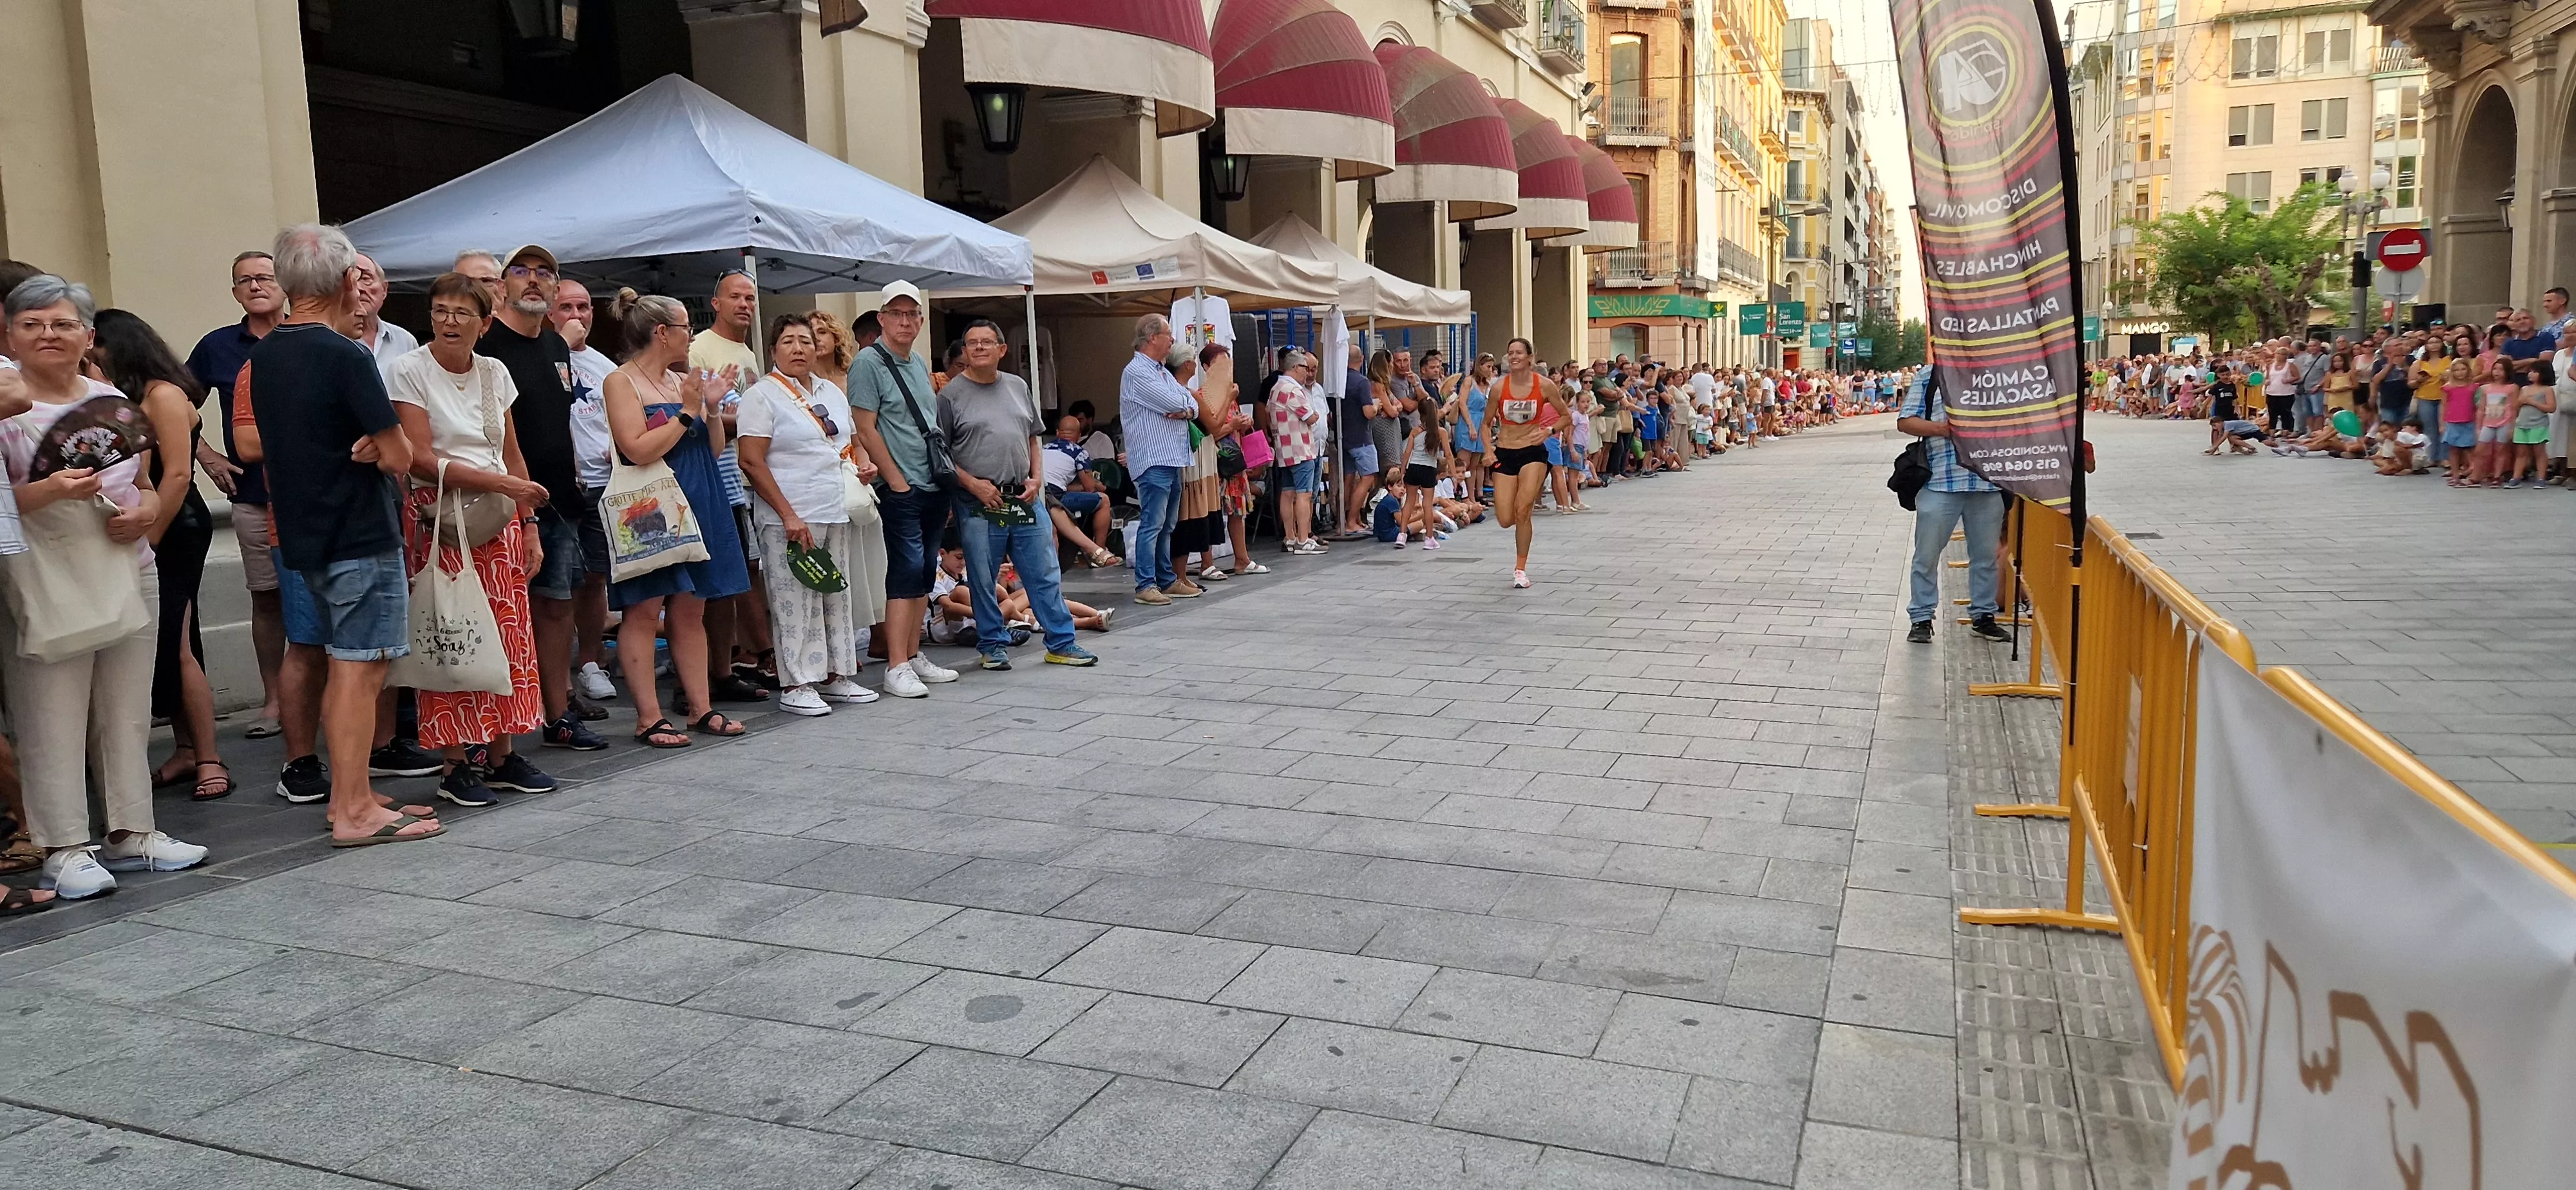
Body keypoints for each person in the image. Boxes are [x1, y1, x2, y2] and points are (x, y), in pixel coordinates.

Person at [3, 276, 208, 898]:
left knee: (126, 707)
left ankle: (132, 831)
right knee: (50, 714)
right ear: (9, 336)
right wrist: (48, 491)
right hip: (45, 572)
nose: (49, 335)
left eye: (63, 324)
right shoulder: (6, 410)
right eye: (33, 324)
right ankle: (64, 847)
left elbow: (143, 483)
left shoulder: (110, 398)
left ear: (89, 336)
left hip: (126, 564)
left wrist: (146, 512)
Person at [246, 225, 439, 847]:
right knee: (360, 669)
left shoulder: (267, 353)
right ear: (346, 280)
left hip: (306, 531)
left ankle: (348, 796)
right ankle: (354, 810)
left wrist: (374, 446)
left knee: (344, 665)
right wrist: (381, 448)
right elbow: (401, 455)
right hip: (358, 531)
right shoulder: (344, 354)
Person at [387, 272, 557, 806]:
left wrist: (529, 522)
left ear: (484, 323)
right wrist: (502, 485)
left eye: (462, 313)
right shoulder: (409, 369)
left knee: (507, 633)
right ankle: (455, 761)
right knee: (453, 631)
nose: (449, 321)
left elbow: (511, 452)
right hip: (441, 516)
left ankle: (502, 753)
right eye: (440, 310)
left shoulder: (494, 372)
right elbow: (418, 457)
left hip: (499, 515)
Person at [601, 288, 753, 742]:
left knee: (691, 609)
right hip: (653, 507)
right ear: (662, 332)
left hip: (699, 497)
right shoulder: (621, 382)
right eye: (687, 327)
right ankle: (648, 717)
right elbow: (636, 448)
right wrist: (688, 411)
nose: (692, 335)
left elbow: (714, 449)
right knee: (645, 610)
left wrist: (711, 408)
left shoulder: (680, 378)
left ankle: (700, 708)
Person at [95, 309, 229, 804]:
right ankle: (186, 749)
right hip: (153, 527)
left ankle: (210, 757)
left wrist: (150, 539)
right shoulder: (126, 397)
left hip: (176, 527)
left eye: (96, 348)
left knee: (177, 641)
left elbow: (176, 475)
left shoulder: (164, 395)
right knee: (170, 639)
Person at [475, 245, 605, 751]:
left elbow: (561, 419)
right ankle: (493, 731)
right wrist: (521, 508)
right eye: (521, 271)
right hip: (505, 505)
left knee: (556, 608)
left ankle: (557, 714)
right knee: (503, 614)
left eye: (544, 273)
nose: (533, 280)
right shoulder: (487, 347)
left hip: (560, 500)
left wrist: (573, 476)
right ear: (501, 285)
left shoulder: (555, 346)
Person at [736, 313, 879, 716]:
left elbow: (852, 441)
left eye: (805, 341)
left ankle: (836, 675)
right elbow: (751, 460)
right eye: (788, 342)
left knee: (835, 593)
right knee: (793, 600)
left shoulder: (830, 391)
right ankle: (797, 682)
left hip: (834, 508)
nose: (798, 349)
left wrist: (864, 464)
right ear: (773, 350)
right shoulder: (761, 395)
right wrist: (788, 515)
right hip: (789, 514)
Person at [936, 317, 1098, 671]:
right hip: (978, 501)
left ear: (1002, 349)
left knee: (1044, 572)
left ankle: (1062, 643)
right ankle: (992, 645)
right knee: (983, 577)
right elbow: (941, 455)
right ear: (964, 351)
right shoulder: (949, 396)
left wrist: (1037, 479)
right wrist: (972, 484)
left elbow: (1033, 438)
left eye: (987, 342)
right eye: (972, 343)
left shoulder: (1018, 386)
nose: (980, 348)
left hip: (1024, 497)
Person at [186, 250, 287, 741]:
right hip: (252, 494)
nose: (255, 286)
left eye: (264, 277)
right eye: (244, 280)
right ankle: (274, 700)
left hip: (316, 493)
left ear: (285, 284)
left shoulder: (308, 334)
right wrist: (205, 455)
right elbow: (173, 403)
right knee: (266, 598)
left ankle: (329, 696)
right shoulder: (218, 346)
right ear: (234, 292)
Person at [848, 279, 960, 697]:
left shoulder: (916, 362)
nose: (905, 321)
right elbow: (865, 427)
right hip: (901, 485)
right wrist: (895, 481)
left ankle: (912, 655)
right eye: (896, 313)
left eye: (912, 314)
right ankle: (896, 665)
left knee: (925, 570)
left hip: (931, 481)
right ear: (882, 319)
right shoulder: (868, 362)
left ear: (921, 320)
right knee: (906, 569)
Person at [690, 270, 772, 703]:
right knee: (712, 582)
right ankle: (705, 673)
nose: (744, 305)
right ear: (716, 303)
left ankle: (732, 664)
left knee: (740, 575)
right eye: (736, 297)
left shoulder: (747, 352)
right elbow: (696, 411)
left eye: (751, 298)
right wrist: (754, 422)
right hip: (715, 476)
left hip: (744, 478)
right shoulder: (701, 348)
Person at [1898, 368, 2011, 645]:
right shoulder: (1931, 375)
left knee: (1986, 557)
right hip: (1940, 481)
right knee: (1926, 556)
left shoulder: (1999, 371)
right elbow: (1906, 422)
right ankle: (1921, 617)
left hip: (1987, 483)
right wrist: (1945, 429)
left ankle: (1983, 616)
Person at [551, 278, 620, 704]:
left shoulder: (604, 365)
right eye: (567, 307)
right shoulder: (544, 354)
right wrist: (560, 345)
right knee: (558, 584)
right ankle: (556, 678)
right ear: (550, 312)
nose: (577, 316)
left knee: (595, 577)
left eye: (584, 307)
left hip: (602, 482)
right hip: (557, 485)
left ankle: (592, 662)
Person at [1117, 314, 1202, 606]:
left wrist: (1187, 410)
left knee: (1166, 525)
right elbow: (1174, 401)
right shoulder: (1137, 372)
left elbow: (1191, 402)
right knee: (1153, 523)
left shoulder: (1161, 371)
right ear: (1152, 338)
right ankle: (1145, 584)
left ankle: (1165, 580)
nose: (1172, 340)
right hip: (1153, 458)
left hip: (1171, 457)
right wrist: (1185, 407)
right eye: (1168, 334)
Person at [1481, 337, 1569, 589]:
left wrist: (1549, 431)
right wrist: (1488, 451)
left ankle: (1520, 569)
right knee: (1505, 519)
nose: (1514, 357)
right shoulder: (1499, 388)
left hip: (1533, 453)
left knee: (1523, 510)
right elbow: (1485, 424)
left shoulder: (1544, 385)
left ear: (1530, 357)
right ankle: (1519, 540)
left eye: (1519, 352)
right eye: (1510, 353)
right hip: (1505, 453)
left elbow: (1566, 416)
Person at [1268, 348, 1326, 555]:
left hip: (1284, 450)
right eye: (1305, 368)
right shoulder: (1292, 389)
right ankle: (1303, 539)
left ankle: (1290, 537)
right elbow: (1311, 417)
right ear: (1295, 367)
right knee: (1304, 494)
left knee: (1287, 493)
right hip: (1300, 448)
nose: (1307, 372)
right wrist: (1315, 414)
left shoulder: (1275, 388)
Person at [350, 253, 418, 372]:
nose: (359, 288)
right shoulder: (329, 341)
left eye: (366, 279)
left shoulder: (405, 340)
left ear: (384, 289)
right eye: (352, 280)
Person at [2507, 357, 2557, 487]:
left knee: (2539, 452)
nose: (2530, 374)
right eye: (2530, 371)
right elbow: (2515, 406)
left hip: (2538, 425)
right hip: (2522, 424)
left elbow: (2551, 408)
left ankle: (2541, 478)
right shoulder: (2524, 389)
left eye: (2534, 372)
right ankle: (2516, 477)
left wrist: (2533, 402)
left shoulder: (2547, 390)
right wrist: (2521, 401)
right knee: (2521, 453)